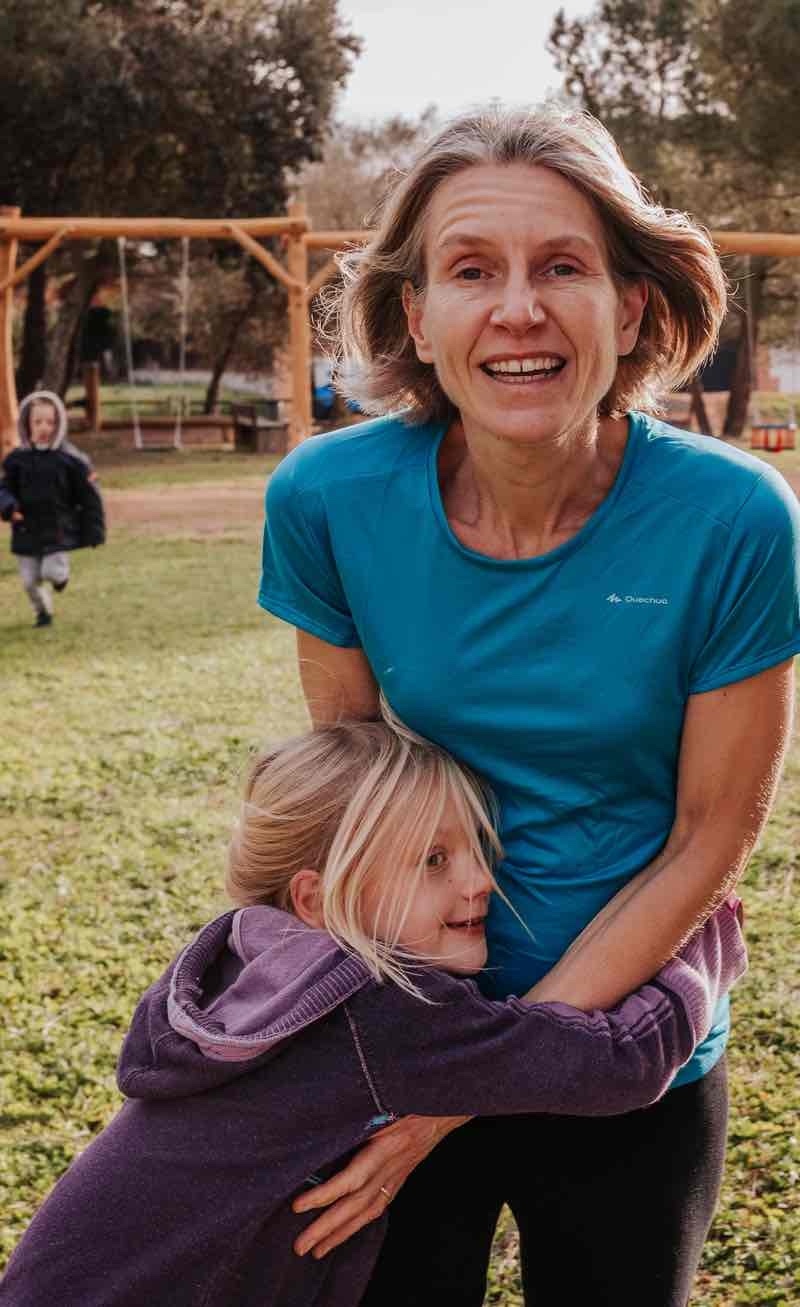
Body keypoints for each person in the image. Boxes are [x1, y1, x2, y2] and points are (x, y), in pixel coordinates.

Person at [259, 105, 800, 1305]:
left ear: (632, 307)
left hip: (624, 1061)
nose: (517, 309)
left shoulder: (733, 519)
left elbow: (711, 832)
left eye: (562, 266)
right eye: (470, 271)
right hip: (401, 1033)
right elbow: (351, 793)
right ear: (416, 314)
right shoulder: (326, 499)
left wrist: (478, 1080)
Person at [0, 718, 746, 1307]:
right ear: (319, 899)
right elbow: (620, 1060)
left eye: (477, 849)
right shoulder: (383, 1014)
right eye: (433, 860)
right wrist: (700, 936)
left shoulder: (240, 960)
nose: (482, 880)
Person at [0, 390, 105, 628]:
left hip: (57, 528)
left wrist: (95, 530)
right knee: (29, 581)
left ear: (59, 425)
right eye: (38, 422)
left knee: (51, 572)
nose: (44, 427)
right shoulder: (16, 461)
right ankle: (42, 611)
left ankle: (61, 577)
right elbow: (3, 489)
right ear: (27, 424)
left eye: (50, 422)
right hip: (25, 529)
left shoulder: (69, 460)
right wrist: (8, 507)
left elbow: (90, 496)